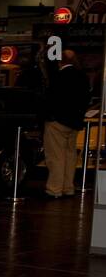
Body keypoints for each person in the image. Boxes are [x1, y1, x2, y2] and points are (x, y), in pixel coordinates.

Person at [43, 48, 90, 198]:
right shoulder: (82, 77)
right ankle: (68, 187)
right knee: (70, 156)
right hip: (74, 122)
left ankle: (54, 190)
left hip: (57, 121)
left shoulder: (58, 76)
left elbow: (50, 99)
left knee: (55, 156)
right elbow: (86, 99)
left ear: (60, 61)